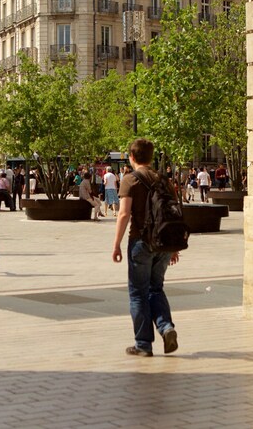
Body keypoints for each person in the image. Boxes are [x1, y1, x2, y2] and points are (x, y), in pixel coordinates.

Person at [111, 138, 180, 357]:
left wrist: (116, 245)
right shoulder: (164, 180)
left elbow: (124, 213)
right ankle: (166, 327)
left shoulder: (130, 180)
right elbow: (173, 213)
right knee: (156, 288)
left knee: (139, 294)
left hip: (140, 241)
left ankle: (143, 344)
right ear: (151, 156)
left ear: (131, 157)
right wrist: (174, 246)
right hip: (163, 243)